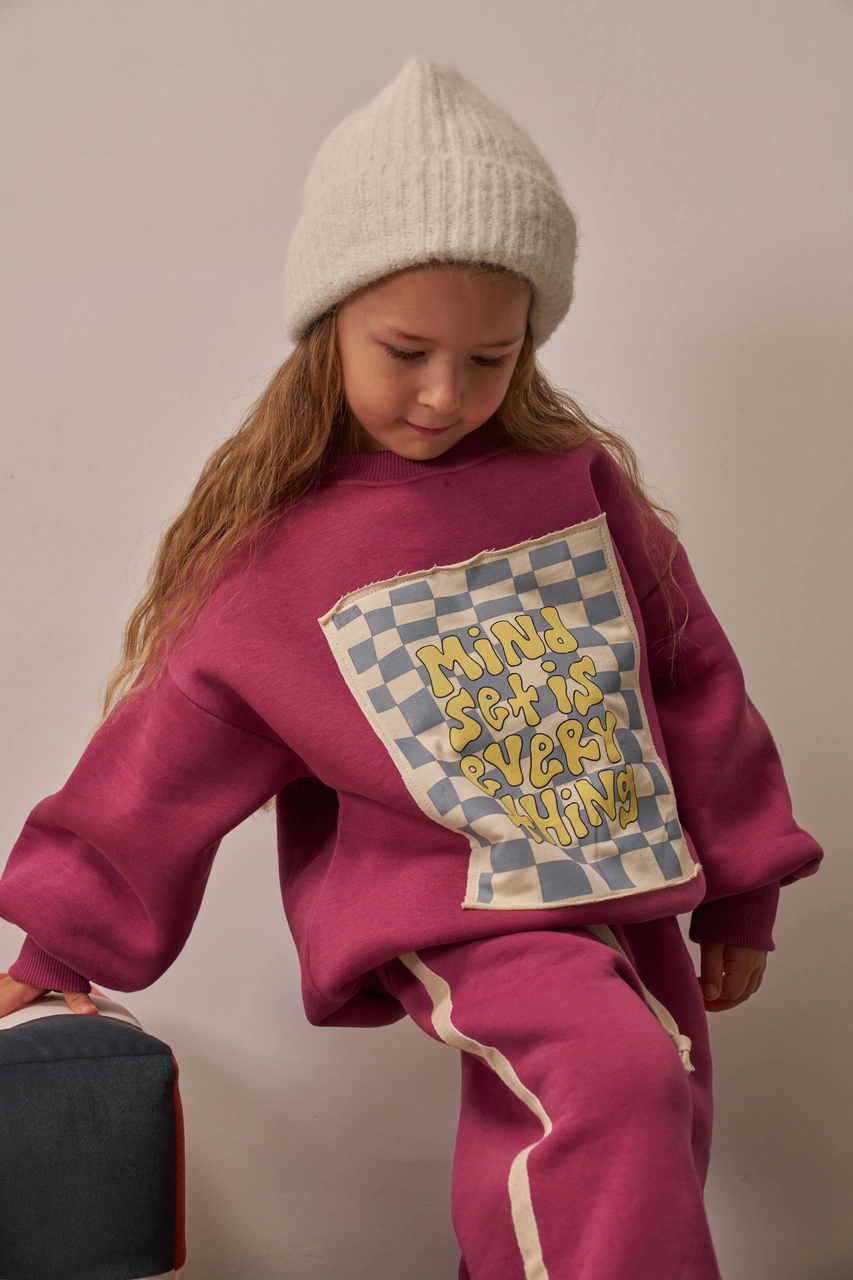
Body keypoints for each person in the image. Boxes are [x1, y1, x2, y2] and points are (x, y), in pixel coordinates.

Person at [0, 54, 822, 1280]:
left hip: (627, 871)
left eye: (490, 358)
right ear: (328, 322)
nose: (444, 394)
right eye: (405, 349)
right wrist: (55, 947)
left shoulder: (574, 483)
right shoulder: (279, 558)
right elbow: (163, 761)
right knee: (611, 1077)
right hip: (460, 898)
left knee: (639, 1114)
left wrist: (744, 883)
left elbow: (691, 672)